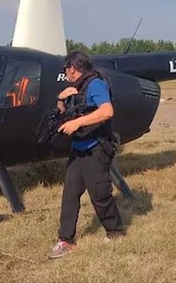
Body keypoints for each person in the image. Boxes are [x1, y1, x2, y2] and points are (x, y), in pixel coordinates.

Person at [48, 51, 124, 259]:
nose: (65, 73)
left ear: (72, 68)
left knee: (100, 196)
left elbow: (107, 111)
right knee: (70, 195)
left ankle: (115, 231)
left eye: (65, 69)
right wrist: (61, 99)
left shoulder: (95, 85)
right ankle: (65, 240)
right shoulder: (76, 87)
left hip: (96, 149)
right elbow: (64, 113)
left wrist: (77, 123)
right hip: (78, 149)